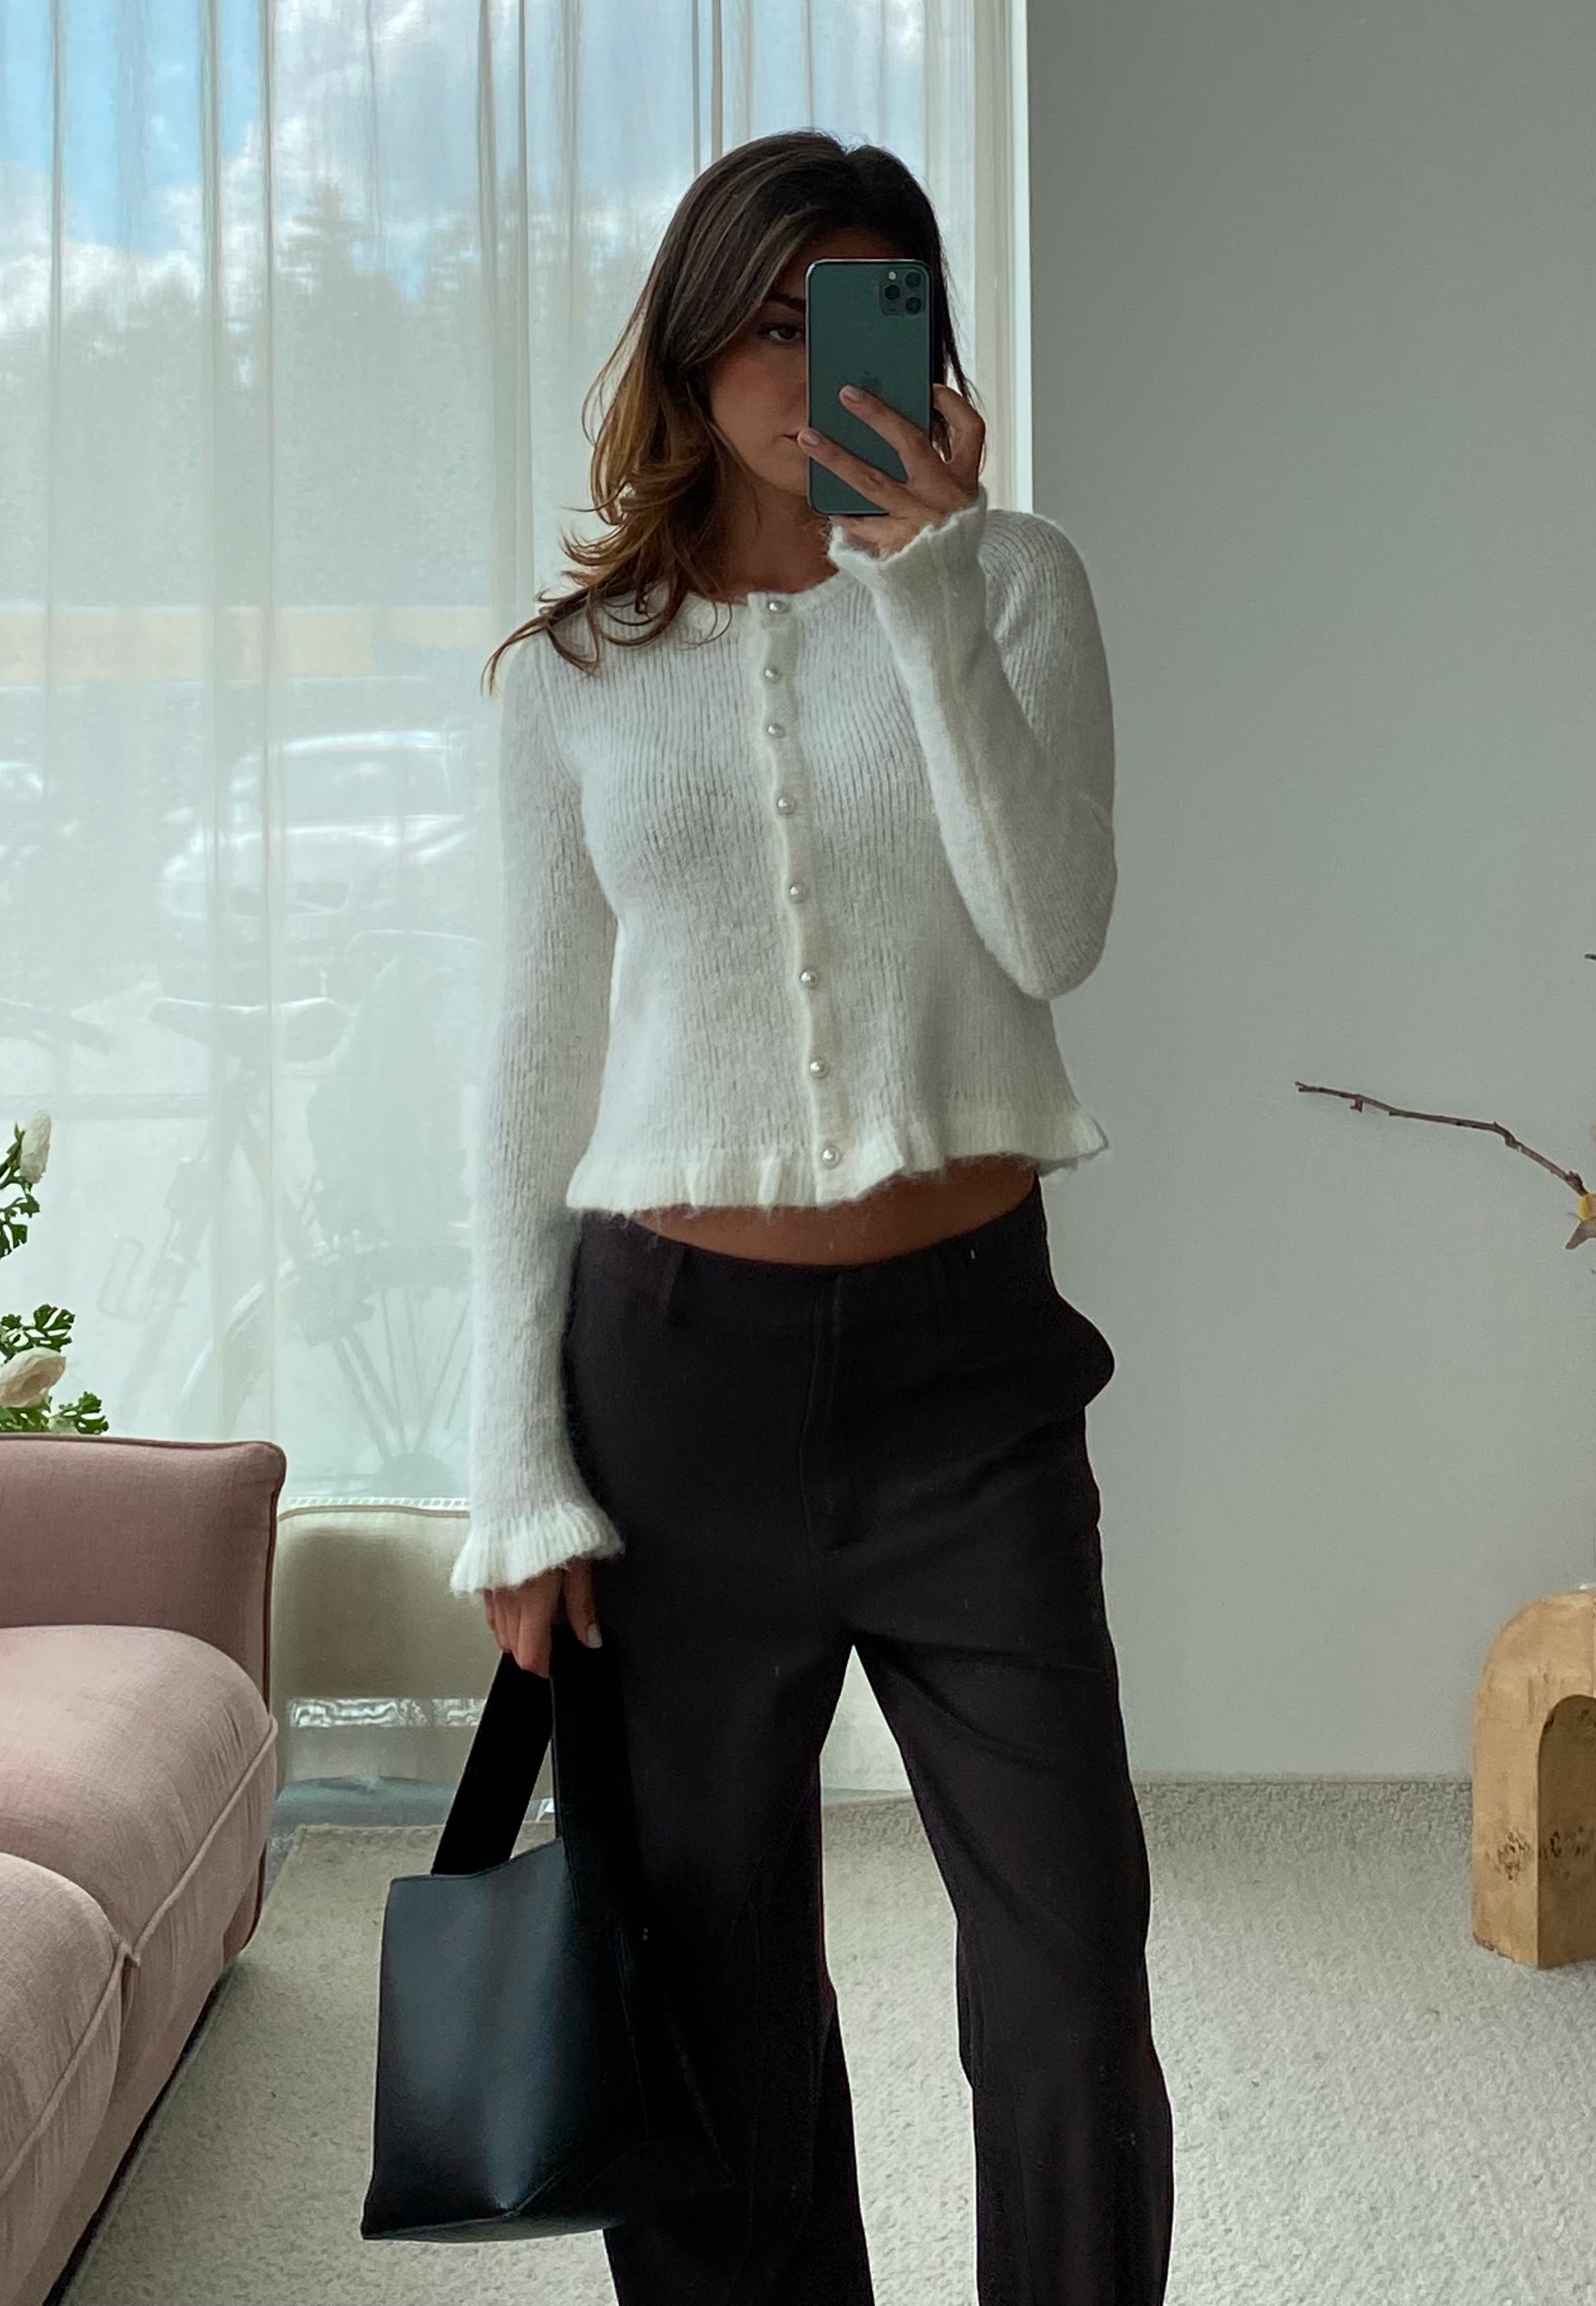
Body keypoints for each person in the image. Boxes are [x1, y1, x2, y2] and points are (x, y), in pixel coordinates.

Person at [457, 127, 1174, 2306]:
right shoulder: (574, 675)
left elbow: (1052, 930)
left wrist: (924, 588)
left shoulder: (1017, 583)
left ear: (925, 341)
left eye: (854, 314)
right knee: (709, 1984)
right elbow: (526, 1083)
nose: (806, 366)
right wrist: (517, 1474)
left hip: (969, 1377)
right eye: (766, 321)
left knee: (1067, 1976)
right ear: (691, 346)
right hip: (671, 1383)